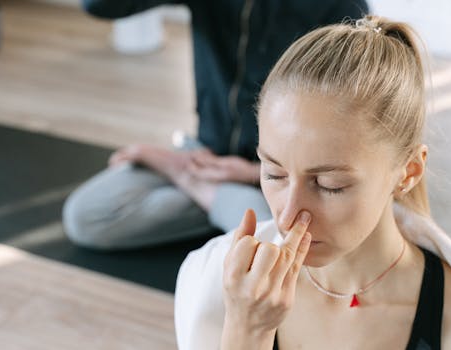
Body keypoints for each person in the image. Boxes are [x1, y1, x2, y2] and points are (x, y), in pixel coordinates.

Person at [174, 15, 451, 350]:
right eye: (273, 173)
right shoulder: (217, 287)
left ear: (409, 172)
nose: (288, 216)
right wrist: (246, 328)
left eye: (329, 184)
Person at [62, 0, 369, 249]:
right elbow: (99, 5)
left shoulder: (338, 7)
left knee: (276, 248)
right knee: (86, 216)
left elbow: (344, 136)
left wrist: (253, 174)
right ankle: (218, 201)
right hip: (202, 156)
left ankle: (200, 188)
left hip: (283, 179)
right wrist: (197, 168)